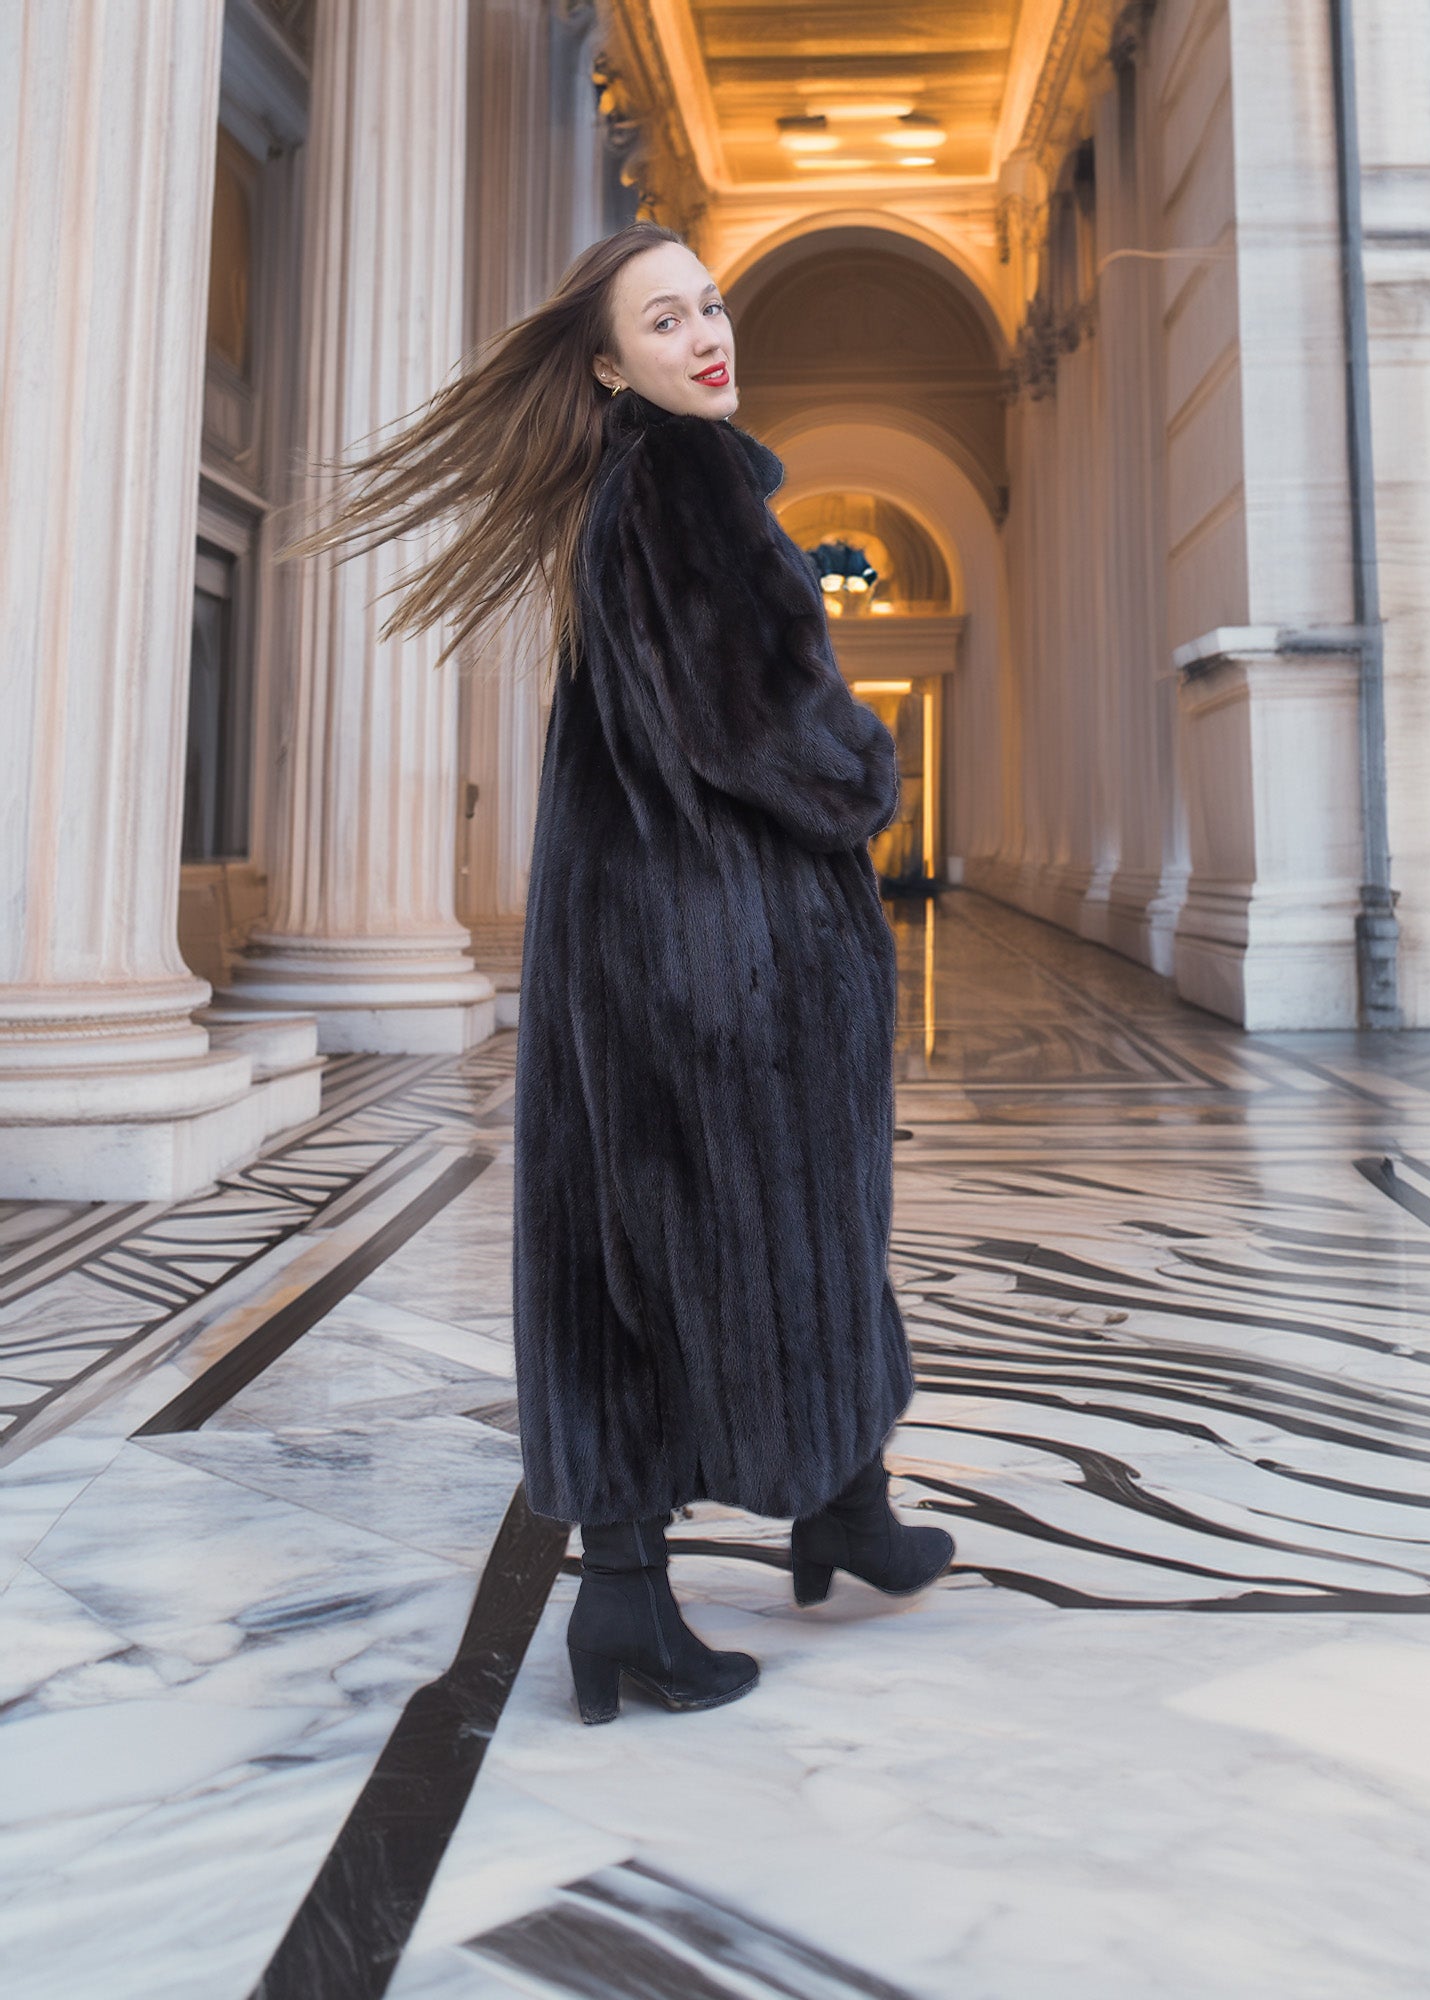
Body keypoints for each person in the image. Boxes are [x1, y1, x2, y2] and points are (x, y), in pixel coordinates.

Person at [275, 221, 954, 1728]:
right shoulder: (689, 482)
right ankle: (752, 1543)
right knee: (779, 1231)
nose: (709, 334)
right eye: (666, 321)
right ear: (607, 364)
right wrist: (866, 778)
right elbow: (759, 717)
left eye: (710, 304)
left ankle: (728, 1554)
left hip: (633, 938)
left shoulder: (624, 488)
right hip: (727, 954)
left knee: (624, 1253)